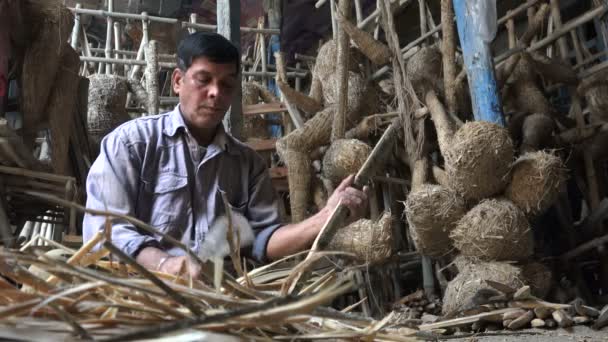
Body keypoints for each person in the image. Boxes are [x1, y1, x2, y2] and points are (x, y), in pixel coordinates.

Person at [83, 32, 368, 278]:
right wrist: (164, 264)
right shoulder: (131, 144)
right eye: (203, 80)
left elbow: (263, 240)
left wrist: (323, 219)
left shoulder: (247, 165)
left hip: (216, 305)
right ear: (178, 81)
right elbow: (103, 232)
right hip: (141, 300)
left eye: (227, 85)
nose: (215, 93)